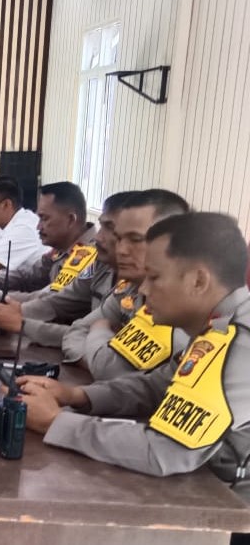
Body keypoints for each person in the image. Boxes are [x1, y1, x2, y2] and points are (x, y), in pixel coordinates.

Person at [18, 212, 250, 507]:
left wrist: (55, 422)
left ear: (198, 280)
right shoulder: (220, 325)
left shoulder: (238, 344)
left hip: (232, 514)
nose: (143, 289)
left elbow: (163, 451)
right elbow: (157, 386)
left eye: (154, 277)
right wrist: (76, 395)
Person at [62, 189, 191, 380]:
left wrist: (100, 330)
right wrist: (98, 359)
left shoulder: (177, 304)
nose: (121, 250)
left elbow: (110, 371)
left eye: (135, 239)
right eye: (119, 238)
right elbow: (76, 332)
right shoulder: (131, 288)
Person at [0, 191, 136, 348]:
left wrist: (19, 319)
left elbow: (103, 347)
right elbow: (60, 301)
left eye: (45, 218)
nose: (98, 237)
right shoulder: (99, 262)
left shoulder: (90, 255)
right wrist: (16, 312)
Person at [0, 182, 98, 303]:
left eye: (45, 218)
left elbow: (50, 299)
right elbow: (27, 276)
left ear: (71, 219)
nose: (38, 226)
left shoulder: (87, 255)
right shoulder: (60, 248)